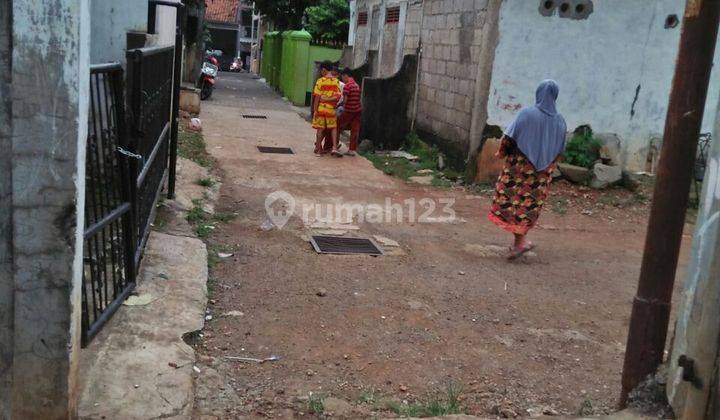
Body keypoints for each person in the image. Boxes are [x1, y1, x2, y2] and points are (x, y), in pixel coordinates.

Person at [488, 80, 567, 260]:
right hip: (541, 175)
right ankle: (520, 242)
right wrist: (548, 166)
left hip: (519, 170)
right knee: (528, 206)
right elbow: (560, 150)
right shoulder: (560, 121)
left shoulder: (526, 114)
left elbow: (509, 137)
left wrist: (501, 152)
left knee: (512, 202)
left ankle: (520, 244)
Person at [312, 61, 343, 157]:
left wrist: (315, 110)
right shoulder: (336, 81)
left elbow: (317, 97)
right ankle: (334, 147)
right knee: (333, 128)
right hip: (331, 109)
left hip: (321, 108)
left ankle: (318, 150)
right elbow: (338, 96)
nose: (321, 72)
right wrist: (330, 99)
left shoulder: (320, 81)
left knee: (320, 129)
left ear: (324, 70)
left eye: (321, 70)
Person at [337, 67, 362, 156]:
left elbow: (345, 100)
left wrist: (339, 106)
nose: (342, 79)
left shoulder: (347, 86)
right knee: (354, 130)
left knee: (337, 126)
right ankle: (352, 150)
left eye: (342, 77)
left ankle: (335, 145)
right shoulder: (356, 85)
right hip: (357, 111)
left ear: (345, 75)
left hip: (348, 110)